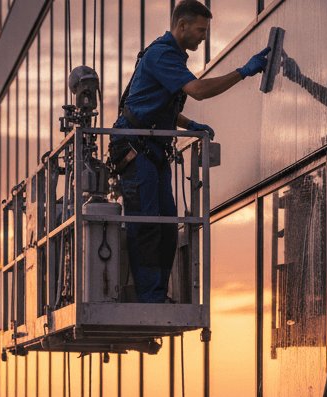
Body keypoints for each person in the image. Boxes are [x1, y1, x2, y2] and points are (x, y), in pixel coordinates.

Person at [111, 0, 271, 303]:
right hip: (135, 147)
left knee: (168, 223)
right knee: (146, 222)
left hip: (152, 147)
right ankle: (149, 296)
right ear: (181, 25)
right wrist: (243, 72)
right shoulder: (162, 55)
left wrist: (187, 125)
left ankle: (156, 292)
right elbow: (197, 91)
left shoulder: (171, 57)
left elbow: (156, 107)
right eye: (200, 30)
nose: (204, 37)